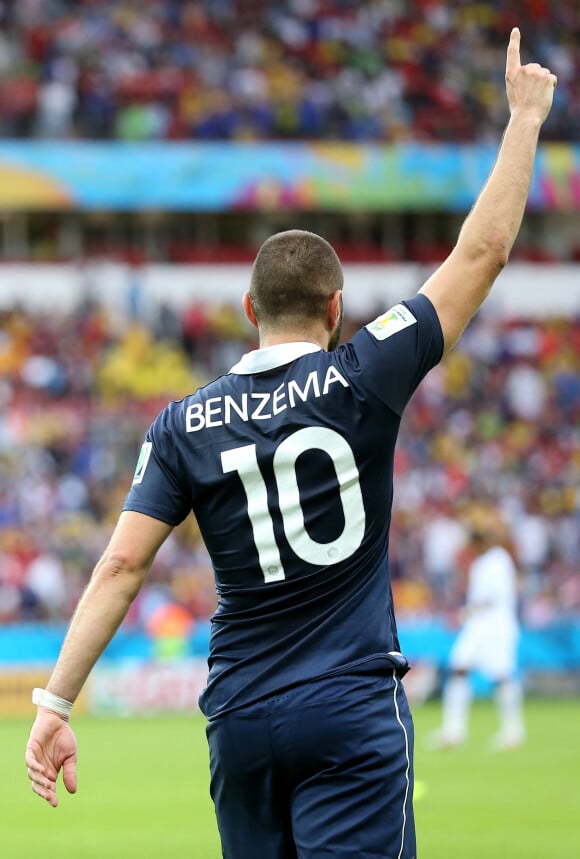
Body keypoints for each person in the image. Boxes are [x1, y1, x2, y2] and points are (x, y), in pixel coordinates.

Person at [25, 29, 555, 859]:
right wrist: (524, 117)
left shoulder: (181, 422)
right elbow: (480, 253)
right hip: (348, 706)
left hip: (239, 719)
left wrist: (56, 705)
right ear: (336, 308)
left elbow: (121, 567)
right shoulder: (364, 374)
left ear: (247, 308)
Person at [431, 513, 526, 750]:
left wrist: (463, 615)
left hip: (495, 625)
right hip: (479, 625)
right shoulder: (484, 561)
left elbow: (491, 599)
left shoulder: (497, 560)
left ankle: (513, 731)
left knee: (501, 676)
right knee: (459, 668)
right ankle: (453, 731)